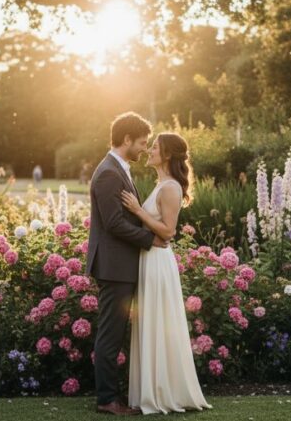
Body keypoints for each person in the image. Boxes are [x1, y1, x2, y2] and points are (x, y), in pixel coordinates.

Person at [121, 132, 212, 415]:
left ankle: (163, 393)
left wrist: (138, 211)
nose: (149, 150)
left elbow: (169, 231)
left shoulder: (170, 187)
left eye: (155, 147)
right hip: (149, 260)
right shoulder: (161, 184)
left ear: (168, 155)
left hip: (158, 263)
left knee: (158, 322)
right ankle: (151, 390)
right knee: (151, 324)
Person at [87, 112, 167, 416]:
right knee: (110, 334)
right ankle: (107, 400)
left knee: (115, 333)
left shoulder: (118, 168)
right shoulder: (109, 172)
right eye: (142, 143)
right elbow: (114, 223)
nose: (145, 149)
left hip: (120, 265)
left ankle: (113, 396)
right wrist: (151, 239)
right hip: (114, 267)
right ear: (126, 140)